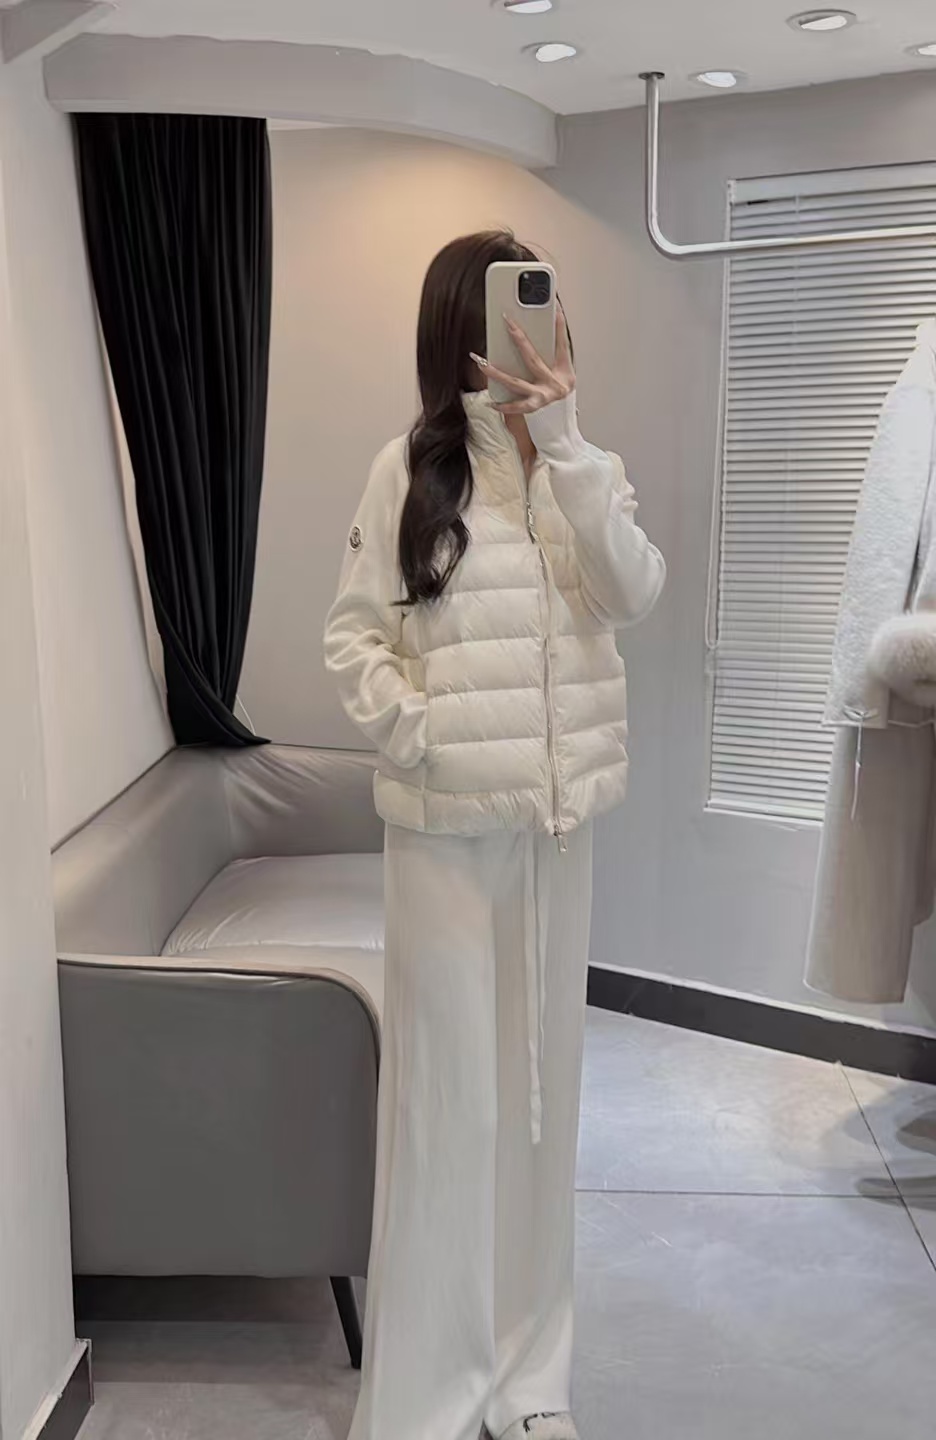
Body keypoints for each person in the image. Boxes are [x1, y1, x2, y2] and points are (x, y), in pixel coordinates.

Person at [323, 230, 665, 1440]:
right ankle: (426, 1394)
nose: (530, 332)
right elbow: (353, 639)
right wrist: (423, 734)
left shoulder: (586, 467)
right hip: (445, 840)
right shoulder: (407, 472)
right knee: (449, 1113)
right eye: (506, 312)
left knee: (539, 1109)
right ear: (460, 331)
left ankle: (529, 1380)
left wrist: (566, 447)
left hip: (559, 832)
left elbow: (633, 592)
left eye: (545, 307)